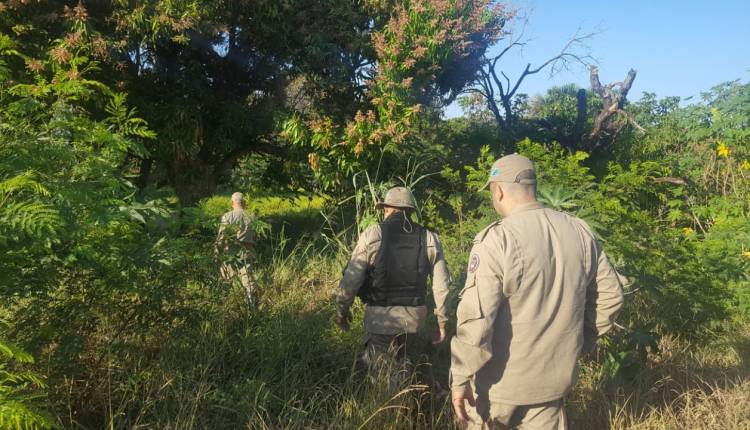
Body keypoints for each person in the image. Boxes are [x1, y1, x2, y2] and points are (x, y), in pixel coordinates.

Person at [450, 154, 624, 429]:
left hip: (499, 389)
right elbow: (611, 297)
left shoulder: (498, 239)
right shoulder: (579, 231)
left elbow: (477, 320)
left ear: (499, 191)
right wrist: (579, 344)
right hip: (552, 387)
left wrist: (460, 377)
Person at [335, 186, 452, 378]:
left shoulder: (373, 234)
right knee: (408, 370)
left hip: (380, 320)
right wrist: (442, 322)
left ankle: (390, 397)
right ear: (411, 210)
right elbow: (442, 285)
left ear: (387, 208)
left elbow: (351, 278)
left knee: (382, 377)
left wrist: (342, 311)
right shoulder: (430, 237)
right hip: (414, 322)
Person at [216, 192, 258, 306]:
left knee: (226, 279)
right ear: (244, 203)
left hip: (230, 252)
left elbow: (221, 237)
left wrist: (217, 252)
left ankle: (222, 306)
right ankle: (252, 306)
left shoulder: (227, 216)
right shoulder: (252, 217)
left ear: (232, 203)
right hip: (247, 251)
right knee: (248, 280)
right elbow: (255, 236)